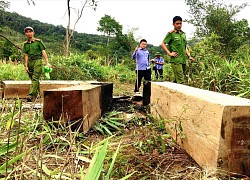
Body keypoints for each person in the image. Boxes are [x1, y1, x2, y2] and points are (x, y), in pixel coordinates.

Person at [161, 16, 194, 84]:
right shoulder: (171, 34)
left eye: (180, 23)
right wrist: (169, 53)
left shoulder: (183, 34)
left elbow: (184, 47)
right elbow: (163, 44)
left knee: (177, 80)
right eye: (177, 23)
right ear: (173, 24)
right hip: (176, 61)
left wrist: (189, 56)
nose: (179, 25)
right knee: (181, 81)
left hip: (183, 60)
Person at [22, 26, 51, 102]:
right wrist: (26, 66)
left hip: (38, 61)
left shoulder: (38, 42)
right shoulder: (26, 44)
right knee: (33, 79)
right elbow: (26, 55)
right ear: (25, 34)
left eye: (30, 31)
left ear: (33, 33)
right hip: (30, 62)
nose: (29, 33)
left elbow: (43, 52)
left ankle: (30, 95)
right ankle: (38, 95)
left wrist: (47, 62)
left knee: (35, 78)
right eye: (27, 32)